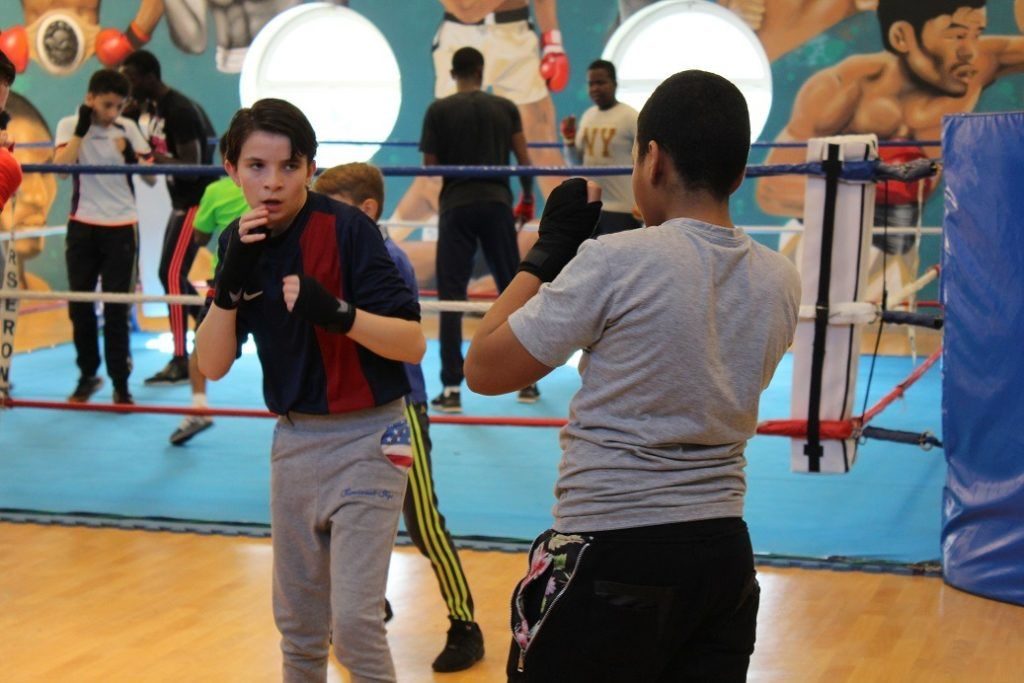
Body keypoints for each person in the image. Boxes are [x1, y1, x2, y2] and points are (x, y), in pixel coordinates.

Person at [464, 70, 801, 681]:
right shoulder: (781, 279)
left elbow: (484, 368)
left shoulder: (618, 260)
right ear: (740, 172)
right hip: (724, 556)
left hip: (613, 547)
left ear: (652, 159)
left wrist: (547, 253)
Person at [195, 98, 425, 683]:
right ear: (230, 168)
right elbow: (213, 364)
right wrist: (228, 285)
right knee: (298, 629)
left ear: (310, 169)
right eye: (256, 167)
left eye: (288, 167)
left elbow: (412, 343)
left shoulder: (349, 230)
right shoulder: (236, 240)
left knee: (353, 625)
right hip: (295, 442)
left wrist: (340, 314)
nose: (272, 183)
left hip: (373, 436)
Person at [313, 162, 485, 673]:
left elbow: (383, 335)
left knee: (422, 521)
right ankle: (366, 604)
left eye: (333, 209)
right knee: (346, 516)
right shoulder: (337, 253)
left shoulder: (386, 258)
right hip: (348, 408)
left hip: (399, 408)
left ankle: (464, 623)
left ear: (366, 211)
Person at [757, 0, 1024, 294]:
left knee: (890, 331)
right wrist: (872, 186)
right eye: (957, 35)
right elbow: (771, 188)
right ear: (902, 37)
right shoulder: (843, 87)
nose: (971, 49)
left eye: (977, 34)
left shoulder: (976, 64)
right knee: (811, 331)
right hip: (821, 239)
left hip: (897, 243)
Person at [421, 46, 539, 413]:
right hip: (496, 203)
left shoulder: (438, 109)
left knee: (452, 294)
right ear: (481, 71)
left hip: (457, 205)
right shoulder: (504, 108)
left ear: (454, 73)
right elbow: (524, 161)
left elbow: (430, 165)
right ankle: (527, 381)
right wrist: (526, 199)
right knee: (513, 290)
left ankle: (452, 389)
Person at [53, 68, 154, 405]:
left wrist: (129, 154)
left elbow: (152, 178)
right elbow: (61, 169)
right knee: (80, 305)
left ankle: (121, 382)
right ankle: (87, 375)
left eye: (119, 106)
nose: (113, 113)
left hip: (122, 226)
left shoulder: (128, 128)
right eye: (107, 105)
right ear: (90, 99)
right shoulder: (70, 125)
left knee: (116, 309)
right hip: (83, 224)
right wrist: (82, 130)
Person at [120, 49, 217, 386]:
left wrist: (152, 158)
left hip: (196, 201)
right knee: (170, 273)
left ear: (149, 77)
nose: (128, 87)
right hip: (183, 202)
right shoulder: (159, 108)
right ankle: (209, 326)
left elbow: (193, 167)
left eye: (131, 79)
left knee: (171, 273)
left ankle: (180, 357)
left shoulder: (178, 110)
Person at [169, 160, 249, 445]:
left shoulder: (216, 190)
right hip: (268, 278)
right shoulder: (281, 188)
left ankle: (199, 407)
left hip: (227, 279)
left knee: (200, 345)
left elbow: (200, 238)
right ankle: (293, 412)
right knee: (280, 343)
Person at [560, 59, 641, 236]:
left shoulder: (630, 117)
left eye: (601, 82)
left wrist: (642, 202)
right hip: (591, 207)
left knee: (623, 263)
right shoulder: (588, 116)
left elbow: (645, 160)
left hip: (623, 208)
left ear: (614, 84)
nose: (595, 88)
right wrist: (569, 141)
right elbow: (576, 163)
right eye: (591, 84)